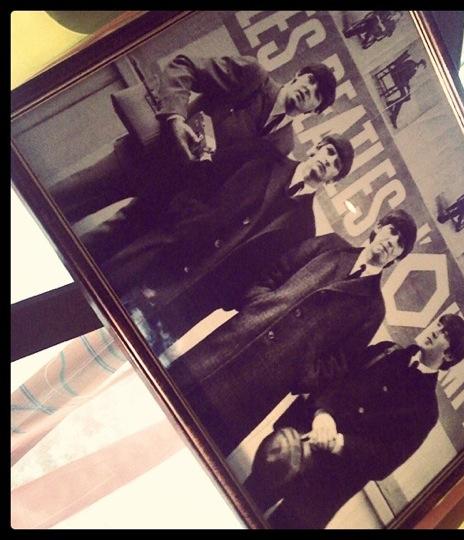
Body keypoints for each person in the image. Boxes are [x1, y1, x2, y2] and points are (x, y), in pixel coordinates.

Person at [166, 210, 417, 456]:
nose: (391, 242)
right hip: (238, 337)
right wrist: (257, 306)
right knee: (173, 391)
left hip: (270, 379)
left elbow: (340, 362)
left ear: (397, 258)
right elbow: (278, 269)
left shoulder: (373, 307)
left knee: (202, 442)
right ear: (378, 228)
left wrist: (303, 373)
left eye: (400, 244)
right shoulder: (331, 246)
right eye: (392, 231)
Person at [98, 135, 354, 350]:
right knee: (99, 300)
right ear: (316, 147)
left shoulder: (305, 228)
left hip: (194, 300)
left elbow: (266, 276)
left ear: (332, 180)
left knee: (126, 349)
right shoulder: (264, 158)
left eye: (336, 165)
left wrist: (226, 296)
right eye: (329, 152)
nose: (328, 161)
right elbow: (205, 178)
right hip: (165, 253)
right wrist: (182, 226)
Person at [50, 55, 337, 225]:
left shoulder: (284, 145)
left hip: (169, 198)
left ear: (315, 110)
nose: (309, 90)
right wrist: (175, 118)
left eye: (317, 95)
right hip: (149, 154)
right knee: (66, 196)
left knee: (96, 241)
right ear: (298, 75)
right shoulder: (252, 76)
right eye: (310, 80)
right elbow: (184, 66)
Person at [244, 314, 464, 529]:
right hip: (295, 447)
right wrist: (323, 413)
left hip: (326, 486)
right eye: (439, 324)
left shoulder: (426, 410)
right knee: (247, 502)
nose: (435, 331)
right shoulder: (387, 351)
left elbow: (386, 459)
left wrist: (339, 443)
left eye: (445, 334)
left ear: (449, 357)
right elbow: (336, 378)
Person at [385, 57, 426, 128]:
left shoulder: (414, 69)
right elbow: (402, 74)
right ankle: (394, 115)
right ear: (420, 64)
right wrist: (405, 85)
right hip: (397, 76)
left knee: (407, 97)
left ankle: (391, 104)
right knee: (404, 96)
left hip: (401, 80)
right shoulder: (411, 64)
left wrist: (408, 88)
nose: (421, 69)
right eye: (422, 67)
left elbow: (407, 79)